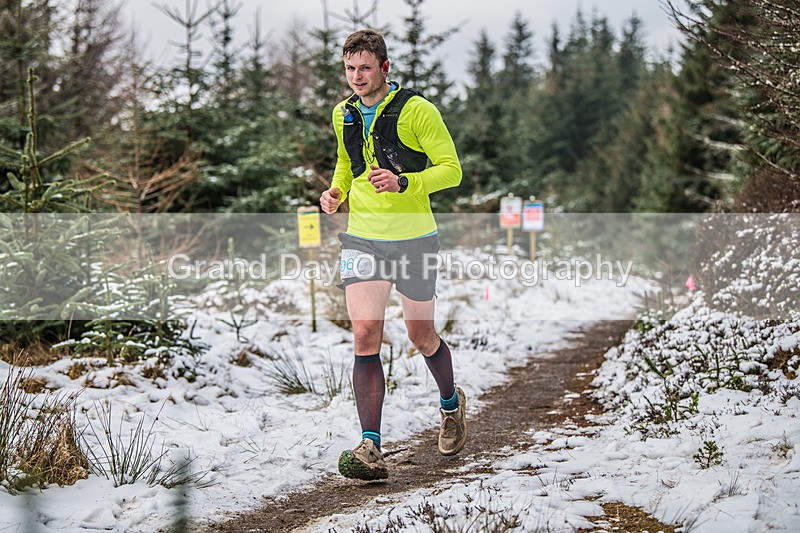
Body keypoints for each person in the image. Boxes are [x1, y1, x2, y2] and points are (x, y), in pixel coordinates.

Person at [319, 29, 467, 481]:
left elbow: (452, 171)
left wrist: (406, 183)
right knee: (365, 334)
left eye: (365, 68)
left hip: (415, 238)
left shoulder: (417, 111)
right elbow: (347, 162)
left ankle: (450, 404)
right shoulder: (342, 113)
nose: (356, 77)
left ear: (384, 68)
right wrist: (337, 190)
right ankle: (371, 446)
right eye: (349, 69)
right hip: (363, 237)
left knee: (421, 336)